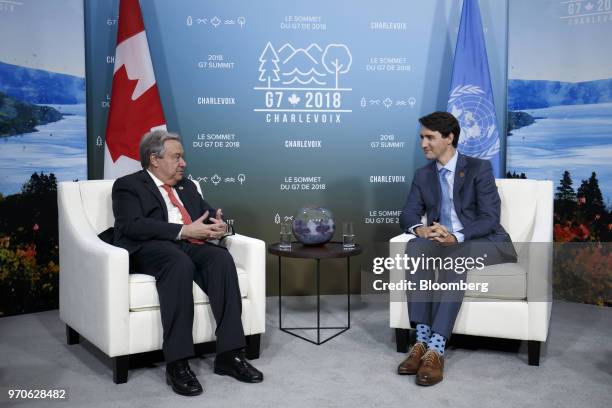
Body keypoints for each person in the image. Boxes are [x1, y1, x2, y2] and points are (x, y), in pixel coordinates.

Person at [111, 130, 263, 396]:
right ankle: (177, 363)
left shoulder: (187, 186)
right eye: (177, 157)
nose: (183, 163)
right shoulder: (128, 185)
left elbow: (209, 216)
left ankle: (229, 354)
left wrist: (221, 227)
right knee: (178, 262)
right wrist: (181, 231)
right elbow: (131, 225)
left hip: (188, 244)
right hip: (150, 248)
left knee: (221, 259)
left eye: (183, 157)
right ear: (154, 159)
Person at [397, 112, 516, 386]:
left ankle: (437, 348)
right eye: (421, 138)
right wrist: (422, 229)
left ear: (449, 138)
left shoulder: (479, 168)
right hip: (442, 241)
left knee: (456, 255)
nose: (423, 144)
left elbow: (490, 219)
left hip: (485, 241)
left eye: (429, 137)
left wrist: (457, 236)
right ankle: (421, 339)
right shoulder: (423, 175)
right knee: (415, 247)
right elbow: (408, 215)